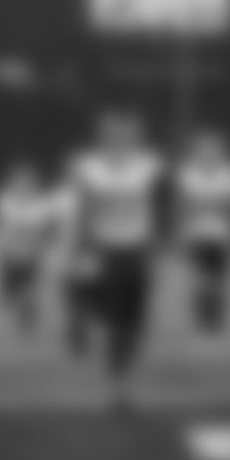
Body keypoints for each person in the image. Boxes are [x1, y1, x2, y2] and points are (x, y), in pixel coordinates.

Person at [63, 110, 166, 408]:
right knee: (107, 312)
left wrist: (159, 247)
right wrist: (80, 247)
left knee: (132, 322)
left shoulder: (150, 166)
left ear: (135, 138)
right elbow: (83, 208)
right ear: (103, 137)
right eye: (113, 135)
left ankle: (119, 384)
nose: (120, 140)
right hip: (103, 247)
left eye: (127, 135)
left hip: (136, 248)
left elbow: (161, 205)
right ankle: (80, 317)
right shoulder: (87, 167)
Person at [173, 129, 230, 334]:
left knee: (217, 281)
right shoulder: (187, 175)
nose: (209, 154)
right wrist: (179, 233)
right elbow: (183, 207)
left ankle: (214, 316)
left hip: (222, 237)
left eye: (214, 150)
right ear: (197, 152)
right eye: (204, 150)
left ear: (222, 152)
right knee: (201, 279)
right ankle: (202, 313)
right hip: (195, 235)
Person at [0, 164, 57, 333]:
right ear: (13, 184)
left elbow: (44, 233)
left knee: (28, 292)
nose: (23, 187)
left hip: (31, 258)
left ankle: (28, 313)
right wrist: (5, 248)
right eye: (19, 183)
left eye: (27, 183)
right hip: (10, 258)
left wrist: (37, 247)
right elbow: (2, 231)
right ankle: (22, 308)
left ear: (33, 185)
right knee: (8, 297)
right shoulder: (4, 202)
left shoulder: (42, 207)